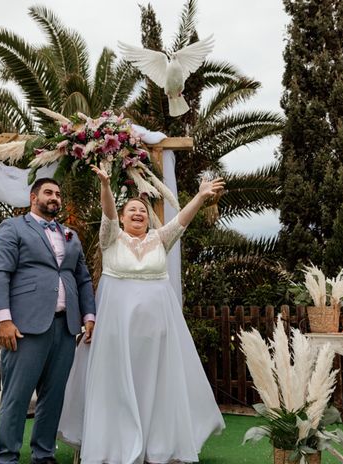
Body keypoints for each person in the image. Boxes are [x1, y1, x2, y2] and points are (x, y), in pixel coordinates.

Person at [58, 166, 226, 463]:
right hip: (116, 332)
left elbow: (181, 221)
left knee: (154, 385)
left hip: (155, 333)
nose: (138, 214)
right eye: (132, 210)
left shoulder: (160, 239)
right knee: (117, 385)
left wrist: (200, 198)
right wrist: (106, 186)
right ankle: (115, 444)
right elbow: (107, 212)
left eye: (143, 211)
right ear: (123, 217)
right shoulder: (111, 238)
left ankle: (155, 444)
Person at [0, 177, 96, 464]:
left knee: (53, 396)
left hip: (65, 328)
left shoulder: (71, 235)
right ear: (33, 197)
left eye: (59, 194)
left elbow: (83, 279)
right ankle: (7, 457)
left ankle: (43, 453)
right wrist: (4, 320)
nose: (55, 197)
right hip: (25, 327)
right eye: (48, 192)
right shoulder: (12, 228)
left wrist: (88, 316)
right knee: (17, 396)